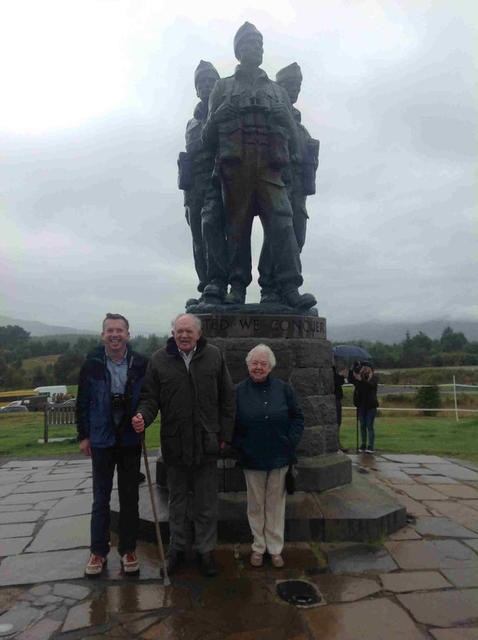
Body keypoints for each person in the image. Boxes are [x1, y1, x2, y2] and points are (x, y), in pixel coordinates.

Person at [202, 22, 316, 309]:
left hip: (270, 166)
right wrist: (217, 117)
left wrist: (285, 117)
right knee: (236, 228)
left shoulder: (277, 92)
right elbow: (206, 139)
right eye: (252, 44)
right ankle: (237, 287)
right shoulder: (223, 86)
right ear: (239, 50)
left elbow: (294, 139)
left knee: (282, 221)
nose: (258, 49)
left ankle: (288, 286)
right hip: (235, 166)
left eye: (261, 44)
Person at [132, 313, 235, 577]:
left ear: (199, 334)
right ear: (173, 333)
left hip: (207, 442)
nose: (184, 335)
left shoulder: (214, 356)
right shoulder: (159, 360)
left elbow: (227, 397)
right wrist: (144, 415)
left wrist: (225, 434)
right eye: (179, 331)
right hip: (175, 444)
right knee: (177, 502)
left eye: (189, 331)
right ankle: (176, 549)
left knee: (206, 503)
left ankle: (205, 551)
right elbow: (150, 398)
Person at [77, 313, 148, 578]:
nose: (115, 335)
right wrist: (83, 435)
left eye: (119, 330)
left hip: (130, 438)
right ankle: (98, 551)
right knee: (100, 498)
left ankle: (128, 549)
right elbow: (82, 401)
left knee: (130, 497)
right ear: (103, 335)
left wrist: (143, 416)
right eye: (110, 331)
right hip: (102, 439)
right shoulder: (91, 364)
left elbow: (149, 397)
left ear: (128, 334)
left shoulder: (141, 363)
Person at [233, 344, 304, 568]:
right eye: (254, 363)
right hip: (251, 456)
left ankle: (275, 549)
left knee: (275, 505)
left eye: (263, 364)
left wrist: (290, 441)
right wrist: (240, 444)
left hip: (279, 456)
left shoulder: (284, 389)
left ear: (270, 366)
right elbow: (230, 422)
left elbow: (297, 417)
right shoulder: (238, 391)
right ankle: (258, 546)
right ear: (247, 365)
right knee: (255, 505)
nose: (258, 367)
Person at [258, 62, 320, 303]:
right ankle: (271, 288)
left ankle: (281, 289)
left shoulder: (300, 126)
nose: (295, 90)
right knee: (279, 235)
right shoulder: (271, 118)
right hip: (275, 183)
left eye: (298, 86)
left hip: (297, 192)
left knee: (296, 237)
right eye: (290, 85)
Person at [178, 60, 228, 306]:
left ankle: (218, 283)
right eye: (202, 83)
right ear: (196, 90)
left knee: (212, 228)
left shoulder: (222, 115)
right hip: (192, 187)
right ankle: (205, 286)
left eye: (211, 82)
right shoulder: (191, 123)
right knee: (198, 237)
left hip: (216, 181)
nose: (206, 87)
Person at [348, 361, 379, 454]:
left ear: (370, 368)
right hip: (361, 405)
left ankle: (371, 445)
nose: (365, 368)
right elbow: (351, 380)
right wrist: (352, 369)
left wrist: (361, 380)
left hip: (371, 406)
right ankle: (363, 444)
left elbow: (370, 386)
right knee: (362, 426)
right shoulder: (361, 377)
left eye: (366, 367)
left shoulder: (374, 378)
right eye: (363, 367)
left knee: (370, 426)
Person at [333, 359, 349, 452]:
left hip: (337, 399)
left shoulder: (333, 370)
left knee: (338, 422)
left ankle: (337, 443)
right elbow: (337, 381)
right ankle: (337, 443)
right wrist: (343, 376)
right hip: (335, 400)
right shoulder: (331, 370)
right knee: (337, 422)